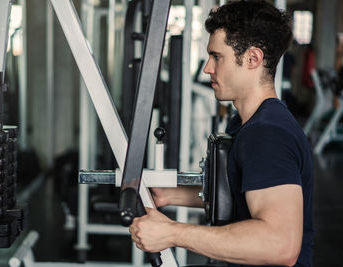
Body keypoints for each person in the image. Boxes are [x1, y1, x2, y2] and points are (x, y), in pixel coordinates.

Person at [129, 1, 314, 267]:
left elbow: (280, 244)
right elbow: (242, 193)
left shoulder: (267, 135)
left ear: (253, 59)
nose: (207, 68)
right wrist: (170, 194)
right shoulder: (247, 123)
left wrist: (172, 233)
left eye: (217, 56)